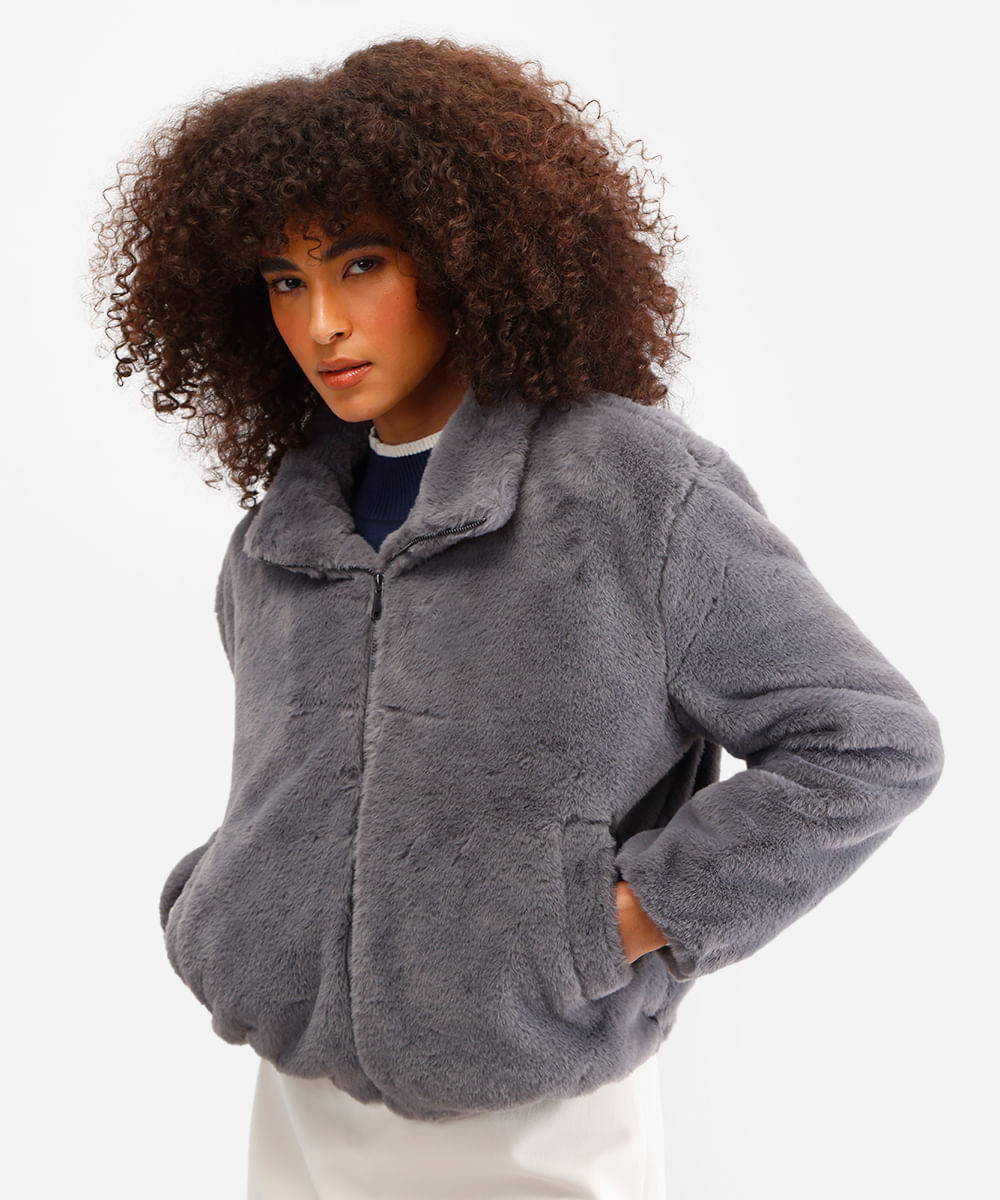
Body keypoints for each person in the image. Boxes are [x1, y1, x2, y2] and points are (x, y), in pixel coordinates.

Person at [91, 36, 945, 1199]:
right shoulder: (280, 535)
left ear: (463, 253)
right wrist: (230, 907)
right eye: (286, 281)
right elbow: (286, 785)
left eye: (361, 264)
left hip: (537, 1109)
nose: (322, 321)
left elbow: (868, 740)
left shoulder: (629, 485)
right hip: (297, 1103)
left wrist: (615, 923)